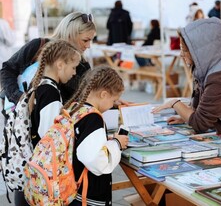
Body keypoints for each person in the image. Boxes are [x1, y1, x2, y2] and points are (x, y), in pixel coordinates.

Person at [13, 39, 81, 206]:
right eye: (73, 67)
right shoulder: (51, 93)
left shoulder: (39, 84)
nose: (74, 73)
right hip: (45, 172)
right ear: (60, 64)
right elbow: (49, 135)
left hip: (34, 165)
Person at [62, 66, 128, 206]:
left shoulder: (76, 108)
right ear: (103, 94)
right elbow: (96, 162)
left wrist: (106, 142)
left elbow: (83, 145)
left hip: (73, 189)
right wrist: (116, 143)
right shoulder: (93, 118)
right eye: (113, 100)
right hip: (88, 196)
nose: (112, 105)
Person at [0, 11, 96, 105]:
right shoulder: (38, 46)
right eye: (85, 40)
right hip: (21, 116)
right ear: (70, 34)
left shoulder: (83, 66)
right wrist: (19, 97)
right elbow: (7, 70)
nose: (88, 46)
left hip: (56, 119)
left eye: (90, 40)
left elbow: (86, 99)